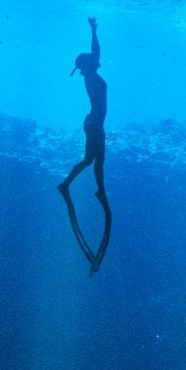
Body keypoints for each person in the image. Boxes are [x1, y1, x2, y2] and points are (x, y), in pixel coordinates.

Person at [59, 17, 111, 271]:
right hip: (94, 124)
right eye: (92, 60)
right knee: (97, 160)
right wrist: (92, 31)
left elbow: (96, 53)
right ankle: (99, 190)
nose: (97, 59)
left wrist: (93, 31)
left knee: (91, 160)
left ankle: (68, 183)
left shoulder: (91, 74)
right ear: (88, 65)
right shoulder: (90, 77)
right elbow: (95, 53)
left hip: (92, 123)